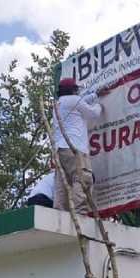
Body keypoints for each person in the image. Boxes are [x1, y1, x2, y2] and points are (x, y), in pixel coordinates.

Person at [51, 77, 102, 215]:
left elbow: (80, 101)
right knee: (82, 177)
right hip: (75, 148)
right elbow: (94, 114)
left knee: (63, 183)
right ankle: (80, 213)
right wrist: (99, 103)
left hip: (60, 150)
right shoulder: (74, 100)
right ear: (73, 90)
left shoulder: (58, 104)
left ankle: (59, 213)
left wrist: (94, 95)